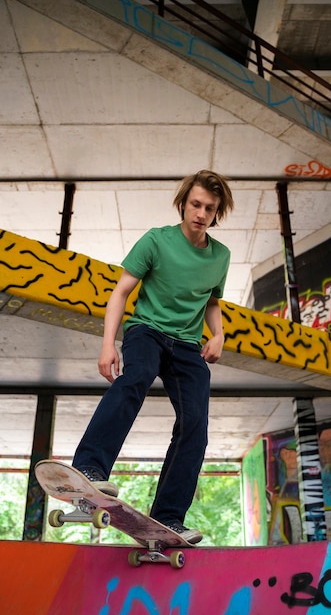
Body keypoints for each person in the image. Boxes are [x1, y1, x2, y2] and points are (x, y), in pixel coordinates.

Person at [72, 170, 234, 543]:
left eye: (210, 208)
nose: (201, 213)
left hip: (188, 346)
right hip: (146, 331)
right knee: (135, 380)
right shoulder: (156, 241)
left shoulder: (220, 256)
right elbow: (120, 292)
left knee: (195, 424)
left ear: (217, 212)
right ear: (184, 203)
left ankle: (169, 517)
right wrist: (107, 343)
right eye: (196, 204)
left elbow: (211, 301)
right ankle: (90, 468)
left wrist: (219, 334)